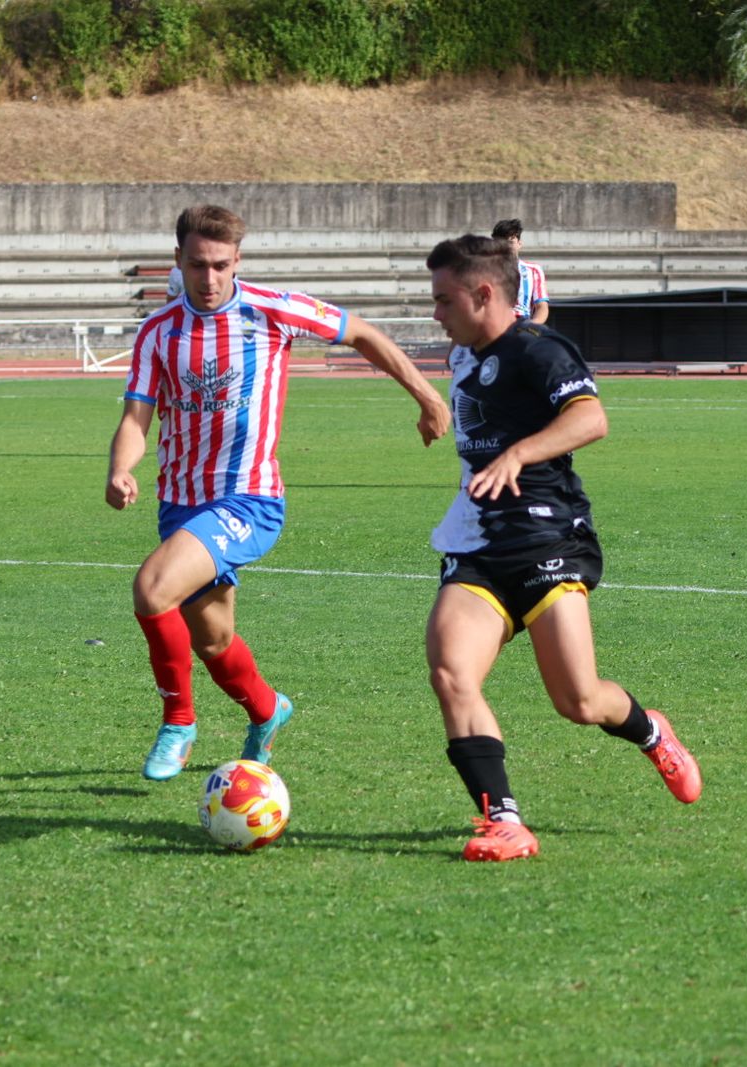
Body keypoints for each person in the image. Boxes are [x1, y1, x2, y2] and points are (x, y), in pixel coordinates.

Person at [107, 204, 451, 781]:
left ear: (237, 260)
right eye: (197, 264)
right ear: (178, 261)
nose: (209, 278)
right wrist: (120, 469)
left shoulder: (273, 310)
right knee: (214, 643)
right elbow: (136, 418)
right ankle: (268, 711)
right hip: (181, 505)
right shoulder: (158, 333)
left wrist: (429, 397)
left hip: (249, 501)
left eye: (220, 265)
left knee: (151, 590)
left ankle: (178, 722)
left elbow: (361, 332)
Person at [422, 234, 701, 863]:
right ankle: (506, 822)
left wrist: (517, 453)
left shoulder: (538, 349)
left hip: (547, 537)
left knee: (577, 701)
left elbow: (590, 418)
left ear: (484, 293)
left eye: (443, 300)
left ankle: (652, 730)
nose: (435, 312)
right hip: (477, 542)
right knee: (451, 673)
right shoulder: (464, 356)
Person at [491, 218, 549, 325]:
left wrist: (531, 327)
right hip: (494, 326)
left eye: (510, 242)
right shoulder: (486, 271)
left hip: (522, 324)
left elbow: (542, 307)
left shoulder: (533, 270)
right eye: (501, 243)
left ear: (519, 244)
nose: (506, 247)